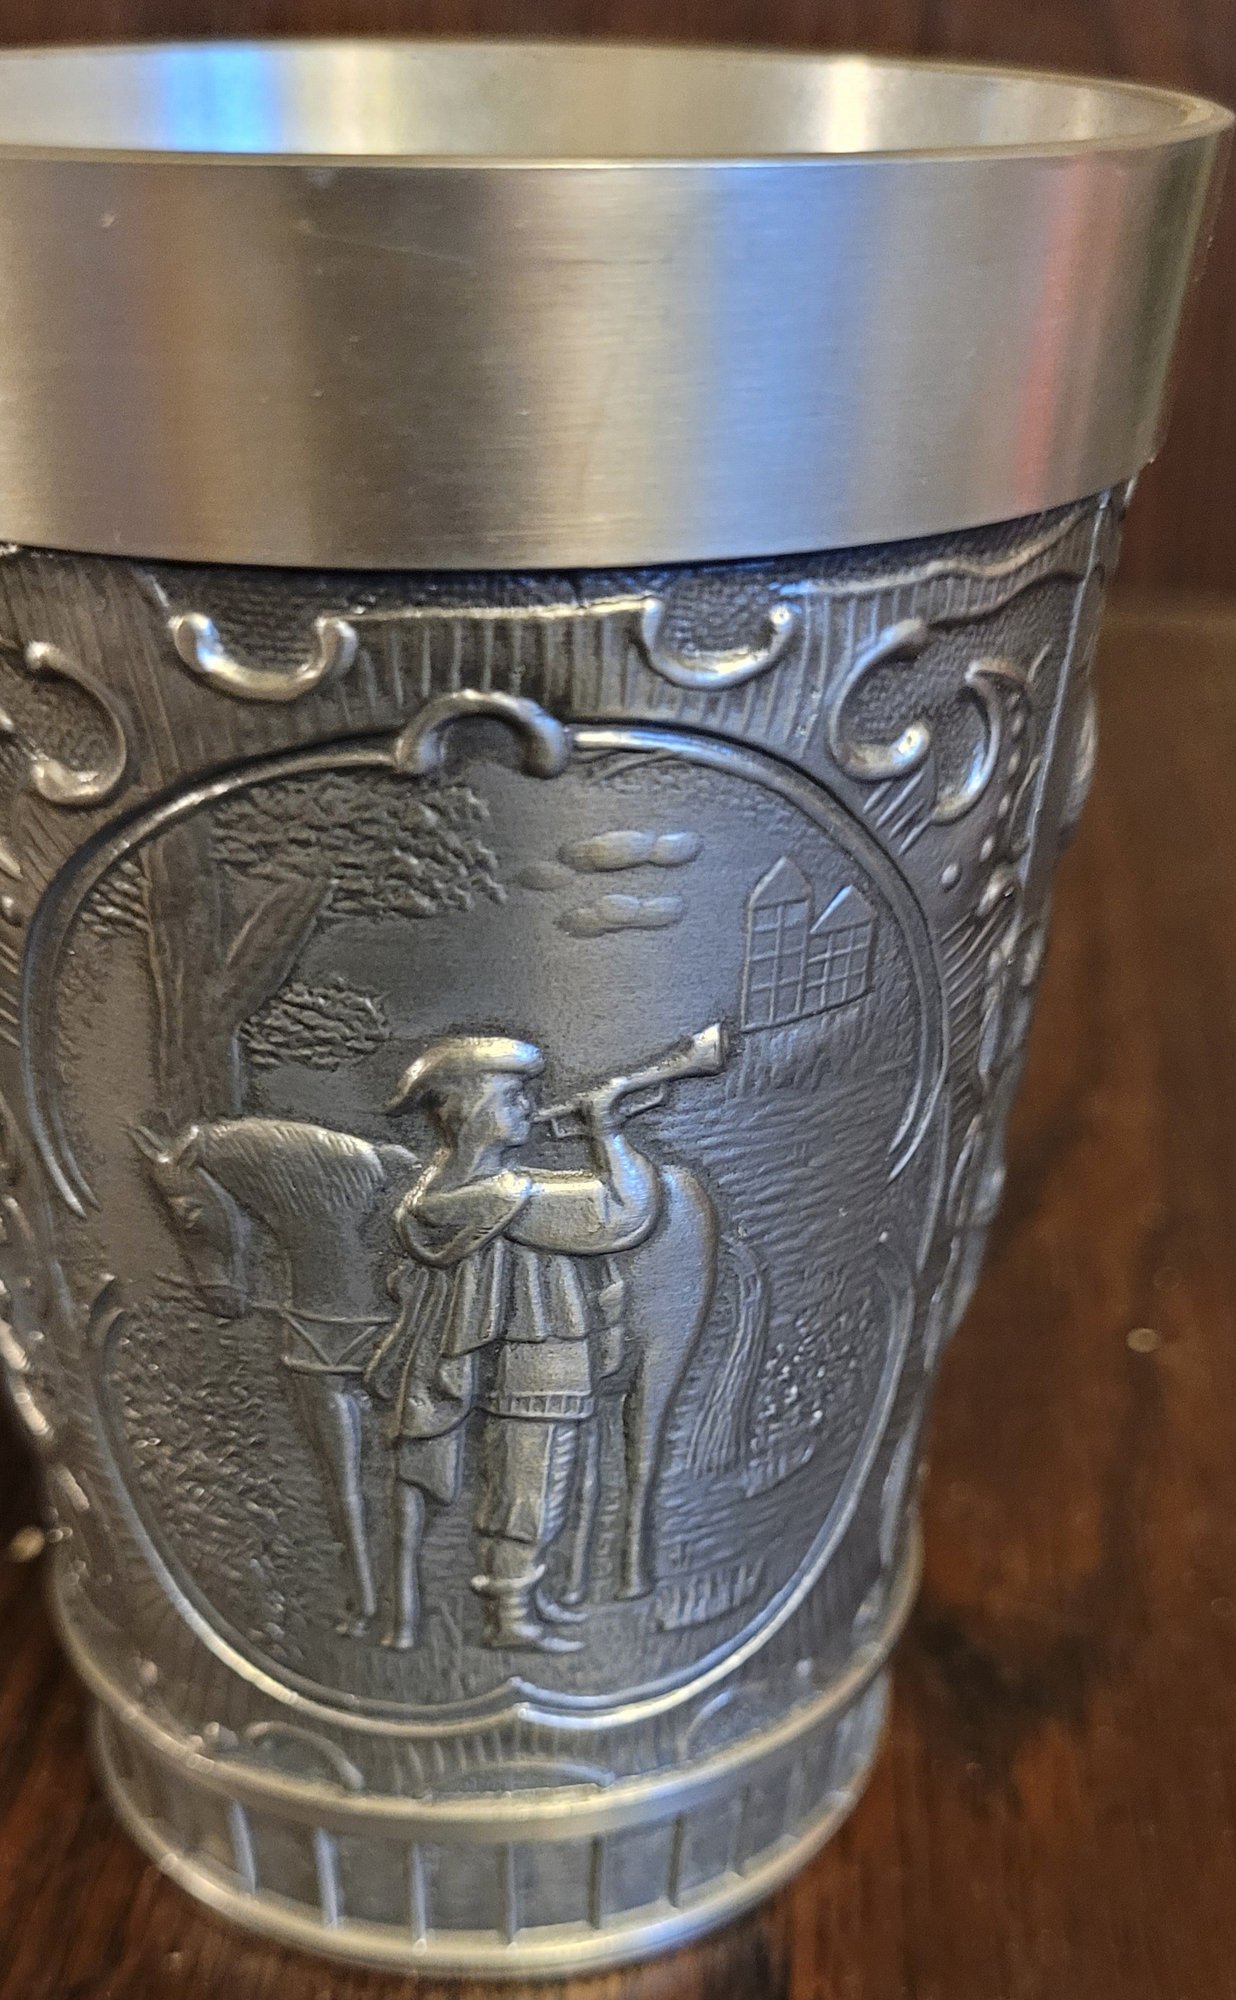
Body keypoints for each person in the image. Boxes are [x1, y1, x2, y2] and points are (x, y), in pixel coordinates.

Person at [369, 1033, 662, 1652]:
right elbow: (622, 1214)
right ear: (472, 1111)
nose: (531, 1106)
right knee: (531, 1489)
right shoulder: (499, 1198)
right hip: (535, 1358)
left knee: (539, 1485)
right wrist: (607, 1131)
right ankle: (510, 1614)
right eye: (513, 1097)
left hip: (539, 1357)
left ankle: (523, 1599)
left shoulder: (457, 1196)